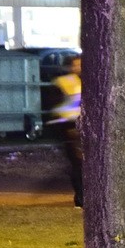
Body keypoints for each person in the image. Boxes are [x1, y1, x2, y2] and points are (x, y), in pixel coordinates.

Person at [47, 55, 83, 207]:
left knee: (84, 165)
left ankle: (83, 197)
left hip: (84, 127)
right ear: (69, 67)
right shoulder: (63, 83)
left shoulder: (88, 81)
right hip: (69, 127)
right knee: (78, 165)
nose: (78, 68)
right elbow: (54, 105)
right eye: (75, 65)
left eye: (80, 65)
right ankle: (81, 198)